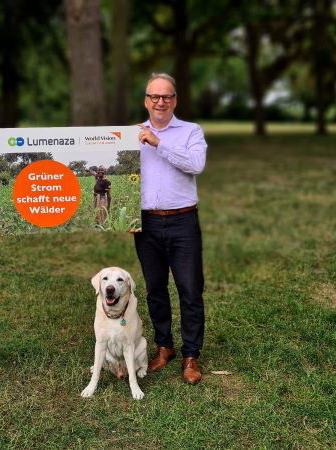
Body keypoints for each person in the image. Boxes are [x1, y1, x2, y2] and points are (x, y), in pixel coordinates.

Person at [134, 73, 207, 384]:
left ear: (175, 100)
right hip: (146, 223)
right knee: (155, 289)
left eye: (166, 97)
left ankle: (191, 355)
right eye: (154, 97)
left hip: (183, 221)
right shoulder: (131, 135)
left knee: (190, 289)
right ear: (146, 101)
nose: (160, 102)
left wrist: (159, 143)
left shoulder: (191, 131)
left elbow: (196, 165)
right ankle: (164, 347)